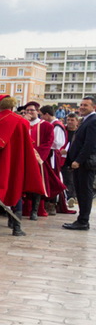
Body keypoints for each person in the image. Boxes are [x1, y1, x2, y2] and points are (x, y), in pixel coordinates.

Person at [0, 94, 45, 236]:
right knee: (16, 190)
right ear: (12, 106)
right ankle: (16, 228)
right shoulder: (21, 121)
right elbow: (27, 145)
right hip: (16, 163)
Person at [22, 101, 64, 219]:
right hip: (23, 159)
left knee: (37, 185)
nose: (29, 112)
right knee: (21, 184)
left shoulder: (46, 126)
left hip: (38, 160)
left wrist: (36, 155)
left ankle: (34, 210)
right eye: (27, 110)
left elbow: (48, 143)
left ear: (38, 111)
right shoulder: (21, 124)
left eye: (32, 110)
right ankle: (20, 209)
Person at [63, 96, 96, 231]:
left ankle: (83, 221)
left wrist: (78, 160)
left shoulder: (93, 121)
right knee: (80, 191)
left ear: (94, 107)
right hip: (79, 163)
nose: (82, 107)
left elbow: (90, 144)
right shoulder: (86, 120)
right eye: (81, 105)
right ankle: (81, 219)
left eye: (85, 105)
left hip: (85, 163)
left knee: (84, 192)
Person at [62, 112, 80, 207]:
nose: (69, 122)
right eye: (68, 120)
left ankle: (72, 196)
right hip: (64, 159)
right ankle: (69, 197)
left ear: (77, 122)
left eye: (72, 120)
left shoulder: (79, 132)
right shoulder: (63, 131)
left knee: (73, 180)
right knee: (66, 179)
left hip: (75, 159)